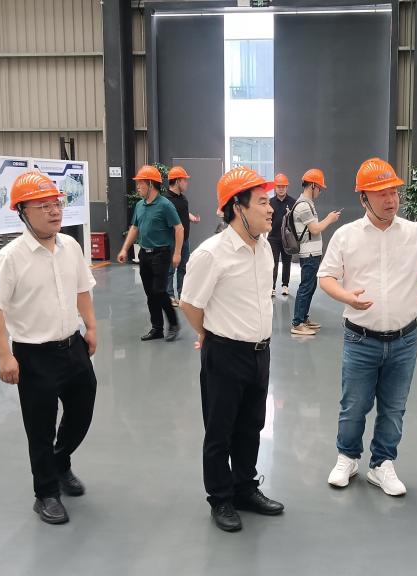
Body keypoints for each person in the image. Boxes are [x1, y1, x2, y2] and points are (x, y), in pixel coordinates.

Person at [318, 158, 417, 497]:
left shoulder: (416, 233)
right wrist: (346, 297)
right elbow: (325, 277)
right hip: (360, 338)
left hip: (404, 341)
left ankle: (382, 464)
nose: (390, 200)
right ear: (363, 198)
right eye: (381, 194)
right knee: (354, 405)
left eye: (394, 192)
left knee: (394, 407)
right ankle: (347, 458)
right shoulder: (346, 236)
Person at [0, 171, 98, 525]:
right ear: (22, 212)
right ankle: (46, 493)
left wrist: (91, 327)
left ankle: (60, 461)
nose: (54, 211)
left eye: (57, 204)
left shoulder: (70, 247)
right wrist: (4, 355)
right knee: (40, 427)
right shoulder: (10, 257)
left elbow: (82, 289)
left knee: (82, 410)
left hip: (73, 346)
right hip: (34, 355)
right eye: (44, 206)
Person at [179, 166, 284, 533]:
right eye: (262, 202)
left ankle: (244, 488)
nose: (270, 209)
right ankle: (220, 498)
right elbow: (190, 303)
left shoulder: (264, 248)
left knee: (251, 425)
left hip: (260, 352)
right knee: (220, 431)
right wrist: (209, 334)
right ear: (238, 208)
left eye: (269, 202)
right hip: (225, 354)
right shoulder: (212, 254)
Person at [116, 165, 185, 342]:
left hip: (161, 254)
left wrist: (177, 253)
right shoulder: (140, 205)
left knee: (159, 290)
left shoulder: (165, 205)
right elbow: (134, 228)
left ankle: (173, 323)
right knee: (150, 294)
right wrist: (124, 249)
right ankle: (157, 328)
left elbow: (179, 228)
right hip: (144, 255)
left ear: (150, 184)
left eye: (140, 184)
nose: (138, 187)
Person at [290, 168, 340, 336]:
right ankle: (297, 323)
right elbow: (315, 229)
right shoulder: (304, 205)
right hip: (309, 254)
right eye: (319, 187)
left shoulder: (307, 203)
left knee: (310, 286)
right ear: (312, 185)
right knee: (306, 287)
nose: (319, 191)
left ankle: (303, 318)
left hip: (313, 253)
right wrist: (330, 219)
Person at [165, 166, 201, 306]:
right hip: (171, 241)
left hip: (184, 240)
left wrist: (192, 218)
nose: (187, 183)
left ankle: (182, 295)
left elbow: (183, 212)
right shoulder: (166, 200)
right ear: (177, 181)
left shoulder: (182, 198)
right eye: (184, 180)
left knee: (183, 268)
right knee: (170, 269)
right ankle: (169, 296)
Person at [268, 173, 295, 298]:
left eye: (283, 186)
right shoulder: (270, 202)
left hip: (287, 238)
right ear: (275, 187)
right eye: (279, 186)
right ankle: (272, 287)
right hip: (273, 238)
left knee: (287, 262)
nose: (281, 189)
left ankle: (285, 285)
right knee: (273, 263)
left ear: (287, 187)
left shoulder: (293, 202)